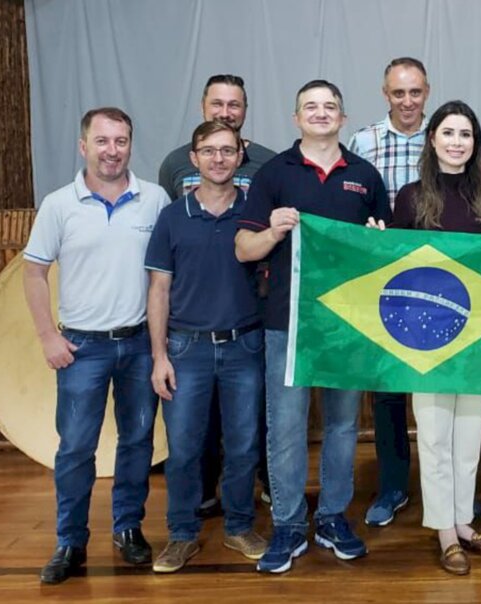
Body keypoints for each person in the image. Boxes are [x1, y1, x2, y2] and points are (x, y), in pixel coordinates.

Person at [235, 80, 390, 573]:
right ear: (296, 117)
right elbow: (243, 248)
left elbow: (383, 251)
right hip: (287, 319)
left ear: (343, 119)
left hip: (348, 325)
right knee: (285, 427)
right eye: (311, 107)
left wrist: (376, 241)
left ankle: (331, 517)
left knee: (344, 425)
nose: (321, 113)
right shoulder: (273, 174)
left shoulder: (365, 176)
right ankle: (287, 524)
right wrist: (274, 229)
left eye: (330, 107)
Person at [23, 107, 170, 584]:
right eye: (102, 141)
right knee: (76, 448)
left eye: (121, 141)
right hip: (81, 348)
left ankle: (128, 528)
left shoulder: (154, 199)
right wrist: (48, 335)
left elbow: (164, 278)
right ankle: (70, 541)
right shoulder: (58, 204)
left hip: (140, 345)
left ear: (131, 144)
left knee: (137, 442)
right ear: (83, 145)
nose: (112, 150)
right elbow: (33, 273)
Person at [378, 100, 481, 575]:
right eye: (448, 133)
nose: (457, 142)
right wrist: (380, 240)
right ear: (432, 139)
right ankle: (446, 532)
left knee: (469, 436)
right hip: (426, 338)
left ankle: (464, 521)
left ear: (475, 144)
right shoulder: (411, 197)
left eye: (466, 135)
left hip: (477, 336)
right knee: (433, 436)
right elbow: (395, 268)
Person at [145, 121, 267, 573]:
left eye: (227, 151)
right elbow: (158, 289)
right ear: (193, 158)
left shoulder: (256, 212)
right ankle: (181, 535)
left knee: (242, 445)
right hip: (185, 349)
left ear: (240, 157)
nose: (219, 159)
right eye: (208, 151)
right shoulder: (173, 216)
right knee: (184, 449)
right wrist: (159, 356)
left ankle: (238, 526)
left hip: (244, 347)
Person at [158, 73, 276, 518]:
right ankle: (199, 501)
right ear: (203, 107)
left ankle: (251, 497)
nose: (226, 112)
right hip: (190, 320)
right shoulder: (173, 165)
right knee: (194, 428)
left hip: (248, 312)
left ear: (245, 112)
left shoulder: (265, 163)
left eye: (235, 105)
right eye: (218, 104)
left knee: (248, 420)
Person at [347, 57, 430, 526]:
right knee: (387, 393)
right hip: (383, 282)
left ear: (427, 92)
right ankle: (394, 486)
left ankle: (452, 491)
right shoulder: (364, 141)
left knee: (441, 386)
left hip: (437, 279)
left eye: (414, 92)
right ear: (385, 94)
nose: (407, 101)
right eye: (398, 93)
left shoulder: (445, 136)